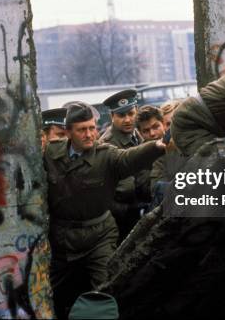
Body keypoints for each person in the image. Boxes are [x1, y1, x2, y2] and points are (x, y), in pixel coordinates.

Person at [44, 102, 166, 319]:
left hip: (98, 235)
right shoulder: (52, 152)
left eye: (92, 128)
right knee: (54, 293)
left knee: (106, 289)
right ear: (69, 132)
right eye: (82, 129)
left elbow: (130, 158)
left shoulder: (106, 155)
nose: (90, 134)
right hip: (62, 238)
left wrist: (158, 146)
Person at [99, 89, 150, 242]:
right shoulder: (107, 145)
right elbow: (107, 192)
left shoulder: (139, 136)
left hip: (141, 210)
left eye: (131, 113)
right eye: (121, 115)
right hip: (122, 219)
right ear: (112, 117)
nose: (127, 120)